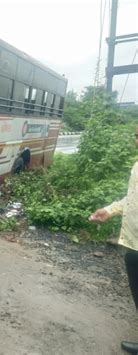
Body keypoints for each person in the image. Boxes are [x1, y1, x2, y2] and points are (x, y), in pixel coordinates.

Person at [89, 127, 138, 354]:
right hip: (133, 242)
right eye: (137, 136)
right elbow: (132, 199)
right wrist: (109, 210)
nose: (136, 141)